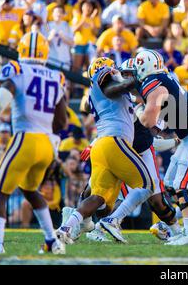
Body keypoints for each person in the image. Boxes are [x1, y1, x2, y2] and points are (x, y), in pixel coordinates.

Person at [56, 57, 155, 247]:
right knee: (147, 184)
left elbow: (132, 95)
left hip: (102, 144)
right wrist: (133, 79)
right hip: (114, 141)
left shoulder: (96, 93)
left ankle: (65, 228)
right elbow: (111, 89)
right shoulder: (103, 78)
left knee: (99, 198)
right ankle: (113, 221)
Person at [0, 32, 68, 254]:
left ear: (21, 50)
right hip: (46, 144)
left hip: (25, 138)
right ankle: (51, 241)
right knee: (30, 189)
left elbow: (0, 102)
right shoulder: (56, 75)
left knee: (0, 191)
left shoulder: (17, 69)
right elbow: (62, 120)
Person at [135, 49, 188, 246]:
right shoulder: (165, 78)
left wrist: (137, 107)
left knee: (182, 183)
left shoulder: (154, 83)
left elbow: (148, 120)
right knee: (172, 181)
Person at [46, 6, 74, 70]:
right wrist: (50, 37)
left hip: (64, 59)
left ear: (64, 14)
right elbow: (44, 44)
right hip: (51, 59)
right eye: (56, 12)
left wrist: (63, 37)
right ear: (52, 14)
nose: (58, 14)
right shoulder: (47, 25)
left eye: (60, 12)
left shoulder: (67, 26)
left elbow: (72, 43)